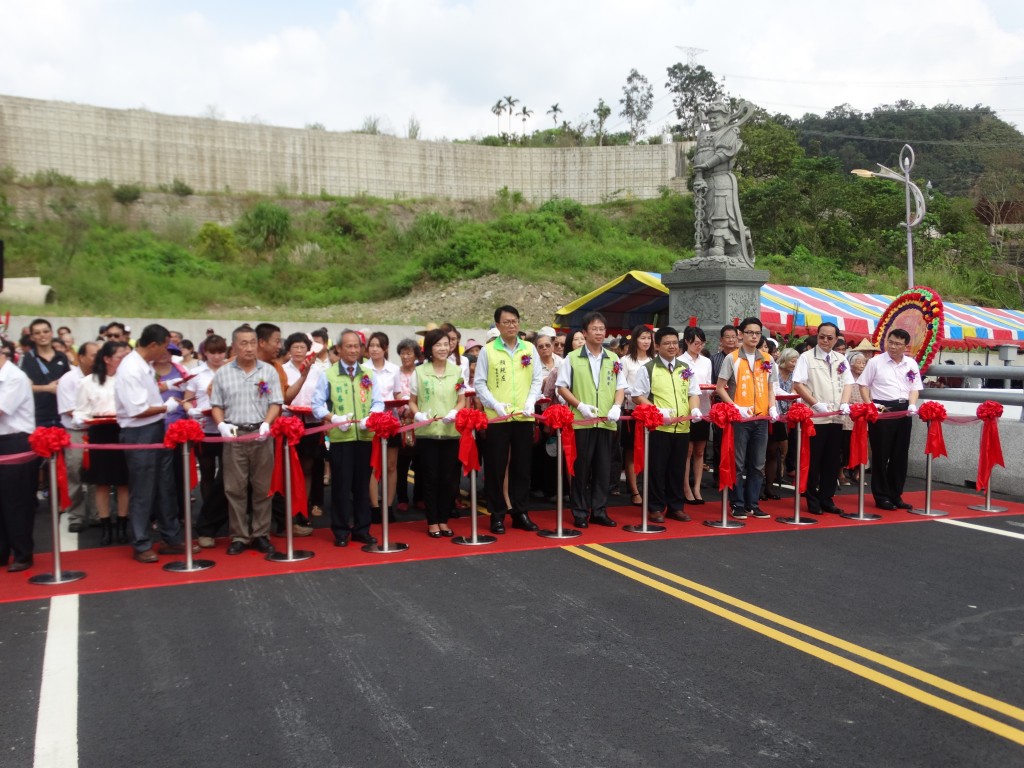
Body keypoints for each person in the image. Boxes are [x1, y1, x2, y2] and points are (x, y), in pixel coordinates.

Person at [114, 323, 193, 563]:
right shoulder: (131, 368)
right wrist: (166, 407)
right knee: (143, 489)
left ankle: (171, 537)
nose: (166, 352)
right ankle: (141, 542)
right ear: (152, 345)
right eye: (164, 347)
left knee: (164, 485)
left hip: (156, 428)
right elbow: (136, 409)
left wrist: (168, 389)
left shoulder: (144, 365)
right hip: (139, 432)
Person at [211, 325, 282, 556]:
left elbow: (275, 402)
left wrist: (267, 423)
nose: (249, 348)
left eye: (252, 342)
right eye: (244, 343)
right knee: (234, 488)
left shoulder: (268, 371)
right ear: (234, 346)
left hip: (261, 434)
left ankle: (261, 534)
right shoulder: (223, 373)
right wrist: (221, 425)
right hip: (235, 435)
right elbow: (216, 405)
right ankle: (239, 536)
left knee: (263, 487)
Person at [473, 305, 544, 534]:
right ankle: (497, 514)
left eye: (515, 321)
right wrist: (494, 404)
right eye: (507, 322)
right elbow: (479, 383)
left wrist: (530, 401)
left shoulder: (529, 348)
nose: (512, 326)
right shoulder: (488, 351)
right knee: (496, 467)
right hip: (498, 418)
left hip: (523, 416)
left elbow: (537, 378)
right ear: (498, 325)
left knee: (522, 467)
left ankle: (520, 512)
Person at [312, 330, 384, 547]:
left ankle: (362, 529)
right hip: (340, 439)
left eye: (356, 346)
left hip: (364, 436)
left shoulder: (368, 374)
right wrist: (334, 418)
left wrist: (371, 417)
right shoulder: (329, 374)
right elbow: (317, 405)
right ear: (339, 349)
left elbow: (378, 401)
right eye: (348, 346)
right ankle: (341, 530)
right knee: (341, 486)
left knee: (362, 486)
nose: (353, 350)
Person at [555, 311, 625, 529]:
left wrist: (616, 406)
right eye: (594, 329)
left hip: (606, 421)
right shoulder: (572, 358)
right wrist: (580, 406)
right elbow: (561, 387)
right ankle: (579, 511)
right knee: (581, 469)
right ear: (584, 333)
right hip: (581, 421)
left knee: (603, 469)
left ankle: (599, 510)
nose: (599, 332)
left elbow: (620, 386)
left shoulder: (613, 358)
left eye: (602, 329)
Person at [630, 326, 701, 523]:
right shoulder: (648, 368)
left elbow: (693, 393)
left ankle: (676, 507)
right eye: (667, 343)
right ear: (657, 345)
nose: (672, 347)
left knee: (677, 469)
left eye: (675, 343)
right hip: (658, 427)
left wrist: (695, 409)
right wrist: (656, 410)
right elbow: (637, 396)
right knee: (657, 469)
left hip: (682, 427)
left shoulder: (685, 368)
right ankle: (655, 507)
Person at [715, 317, 779, 519]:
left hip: (761, 418)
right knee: (738, 463)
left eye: (757, 333)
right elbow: (720, 387)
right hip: (740, 420)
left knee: (758, 464)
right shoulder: (732, 358)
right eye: (750, 332)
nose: (754, 337)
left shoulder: (767, 359)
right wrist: (735, 407)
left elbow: (771, 387)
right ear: (741, 334)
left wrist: (772, 407)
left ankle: (753, 503)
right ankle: (737, 503)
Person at [792, 322, 855, 515]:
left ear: (836, 339)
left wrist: (844, 403)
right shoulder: (806, 357)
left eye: (829, 338)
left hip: (835, 417)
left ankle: (827, 498)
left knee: (832, 460)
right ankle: (812, 499)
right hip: (816, 418)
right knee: (814, 460)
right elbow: (798, 383)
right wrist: (815, 403)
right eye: (822, 337)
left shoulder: (840, 358)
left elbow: (848, 382)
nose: (825, 341)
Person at [856, 328, 922, 511]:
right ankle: (881, 496)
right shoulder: (876, 362)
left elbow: (915, 387)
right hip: (882, 409)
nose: (893, 346)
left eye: (898, 344)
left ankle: (896, 494)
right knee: (881, 454)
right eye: (890, 342)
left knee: (900, 454)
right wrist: (870, 405)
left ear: (905, 346)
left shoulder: (910, 363)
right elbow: (863, 385)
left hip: (904, 409)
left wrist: (912, 405)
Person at [74, 340, 132, 545]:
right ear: (107, 358)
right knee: (102, 482)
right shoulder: (88, 382)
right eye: (120, 357)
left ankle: (123, 525)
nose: (124, 360)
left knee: (124, 482)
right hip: (99, 431)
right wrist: (82, 419)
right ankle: (106, 526)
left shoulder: (128, 379)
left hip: (122, 430)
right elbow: (80, 410)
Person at [409, 328, 465, 537]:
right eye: (438, 344)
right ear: (429, 348)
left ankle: (444, 520)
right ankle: (432, 521)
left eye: (446, 344)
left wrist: (454, 412)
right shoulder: (420, 372)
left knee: (448, 479)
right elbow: (412, 401)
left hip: (450, 431)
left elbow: (462, 399)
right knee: (430, 478)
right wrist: (418, 415)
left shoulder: (457, 371)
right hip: (428, 432)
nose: (443, 348)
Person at [692, 100, 753, 266]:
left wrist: (706, 165)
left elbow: (724, 154)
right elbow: (697, 156)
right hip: (704, 180)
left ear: (725, 118)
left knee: (721, 212)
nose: (712, 120)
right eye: (710, 117)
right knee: (705, 213)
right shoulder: (703, 135)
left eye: (716, 117)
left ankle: (720, 244)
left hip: (721, 179)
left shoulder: (729, 132)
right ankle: (706, 245)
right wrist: (698, 175)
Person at [186, 334, 231, 548]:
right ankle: (207, 510)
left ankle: (223, 511)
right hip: (204, 426)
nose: (217, 356)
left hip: (226, 425)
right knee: (206, 471)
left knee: (227, 472)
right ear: (205, 353)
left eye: (221, 352)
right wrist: (191, 410)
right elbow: (187, 399)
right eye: (213, 352)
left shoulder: (231, 370)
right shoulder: (196, 373)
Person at [282, 332, 326, 526]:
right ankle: (287, 508)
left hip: (312, 422)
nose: (299, 351)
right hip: (288, 422)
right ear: (289, 349)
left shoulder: (317, 370)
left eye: (302, 347)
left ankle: (303, 507)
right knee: (289, 467)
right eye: (295, 347)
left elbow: (322, 396)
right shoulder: (282, 370)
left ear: (308, 350)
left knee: (308, 466)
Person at [0, 339, 36, 572]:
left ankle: (23, 553)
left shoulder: (14, 377)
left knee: (16, 501)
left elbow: (2, 409)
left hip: (15, 442)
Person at [56, 340, 100, 533]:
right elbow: (69, 410)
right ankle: (76, 515)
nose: (98, 359)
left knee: (97, 474)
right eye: (94, 355)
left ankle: (98, 513)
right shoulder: (68, 379)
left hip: (97, 430)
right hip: (76, 432)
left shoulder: (102, 377)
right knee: (74, 474)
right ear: (81, 357)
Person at [366, 331, 401, 522]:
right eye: (371, 345)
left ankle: (388, 505)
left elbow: (397, 394)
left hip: (391, 421)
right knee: (373, 465)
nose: (374, 349)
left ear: (385, 348)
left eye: (378, 346)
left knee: (391, 465)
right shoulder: (363, 369)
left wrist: (402, 404)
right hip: (371, 422)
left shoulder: (394, 369)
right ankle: (374, 507)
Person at [620, 325, 653, 506]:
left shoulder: (654, 360)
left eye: (649, 338)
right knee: (632, 451)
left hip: (652, 411)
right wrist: (636, 392)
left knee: (650, 451)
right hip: (632, 411)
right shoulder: (626, 361)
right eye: (643, 338)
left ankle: (647, 487)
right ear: (635, 340)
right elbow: (620, 385)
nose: (646, 341)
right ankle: (634, 490)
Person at [680, 326, 712, 505]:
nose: (699, 346)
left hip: (704, 408)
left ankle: (697, 487)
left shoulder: (706, 361)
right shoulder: (680, 361)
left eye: (702, 343)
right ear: (687, 342)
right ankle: (685, 487)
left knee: (700, 451)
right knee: (688, 451)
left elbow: (708, 383)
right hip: (686, 410)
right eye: (696, 343)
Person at [20, 318, 72, 428]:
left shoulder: (61, 357)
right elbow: (23, 387)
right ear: (32, 337)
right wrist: (47, 388)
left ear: (52, 333)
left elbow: (69, 382)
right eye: (37, 333)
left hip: (60, 415)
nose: (42, 335)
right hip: (38, 415)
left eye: (45, 331)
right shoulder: (28, 358)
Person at [765, 347, 798, 497]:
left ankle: (772, 483)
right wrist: (790, 397)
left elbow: (794, 390)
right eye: (792, 360)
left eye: (796, 361)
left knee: (778, 450)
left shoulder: (794, 374)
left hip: (784, 415)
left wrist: (792, 398)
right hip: (769, 412)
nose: (794, 364)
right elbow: (774, 389)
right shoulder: (774, 370)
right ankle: (765, 483)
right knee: (768, 450)